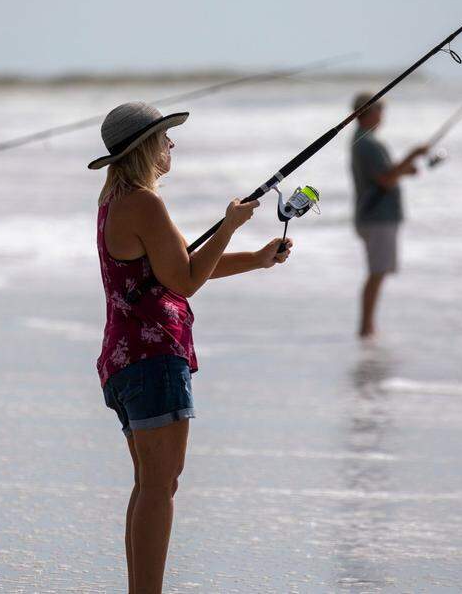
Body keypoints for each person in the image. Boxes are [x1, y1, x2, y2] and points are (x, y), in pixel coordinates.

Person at [89, 101, 292, 593]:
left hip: (125, 359)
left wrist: (256, 259)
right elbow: (184, 280)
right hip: (152, 360)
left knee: (150, 485)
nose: (172, 144)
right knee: (160, 486)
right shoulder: (145, 203)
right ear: (145, 148)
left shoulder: (118, 202)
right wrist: (229, 226)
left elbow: (175, 268)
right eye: (165, 137)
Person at [350, 93, 429, 339]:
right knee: (377, 273)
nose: (382, 116)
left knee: (378, 272)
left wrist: (404, 169)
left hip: (372, 215)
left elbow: (386, 175)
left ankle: (368, 326)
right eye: (379, 111)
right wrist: (413, 154)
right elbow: (385, 179)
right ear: (368, 113)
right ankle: (366, 328)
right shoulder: (368, 143)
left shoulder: (362, 141)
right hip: (377, 216)